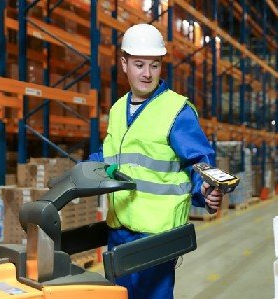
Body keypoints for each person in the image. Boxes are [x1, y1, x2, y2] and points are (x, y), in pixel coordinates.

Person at [88, 23, 223, 298]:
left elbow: (198, 161)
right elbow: (111, 155)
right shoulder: (116, 109)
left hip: (156, 237)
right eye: (139, 65)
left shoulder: (176, 110)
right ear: (124, 64)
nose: (147, 74)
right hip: (119, 231)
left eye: (155, 65)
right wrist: (84, 170)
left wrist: (205, 189)